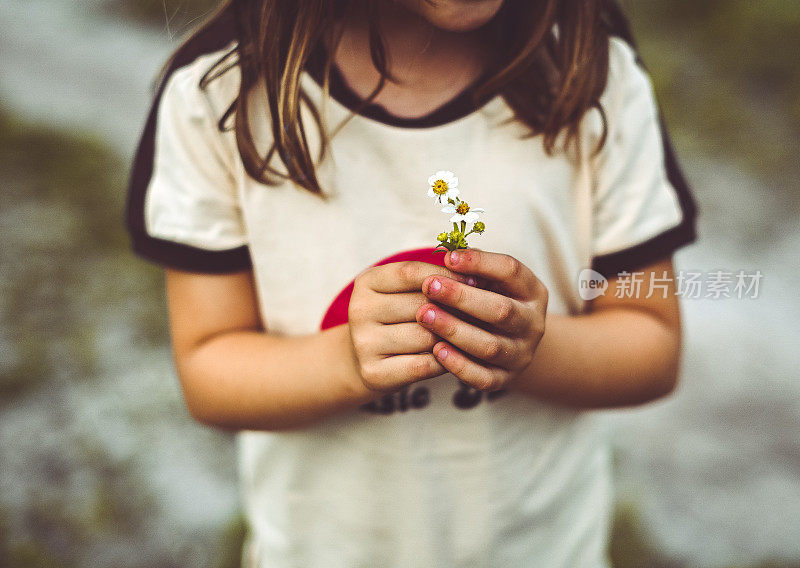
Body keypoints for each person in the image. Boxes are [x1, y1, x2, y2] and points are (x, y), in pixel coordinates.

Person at [125, 0, 698, 566]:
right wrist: (347, 362)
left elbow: (652, 342)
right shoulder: (217, 92)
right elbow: (208, 368)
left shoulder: (590, 66)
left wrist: (526, 344)